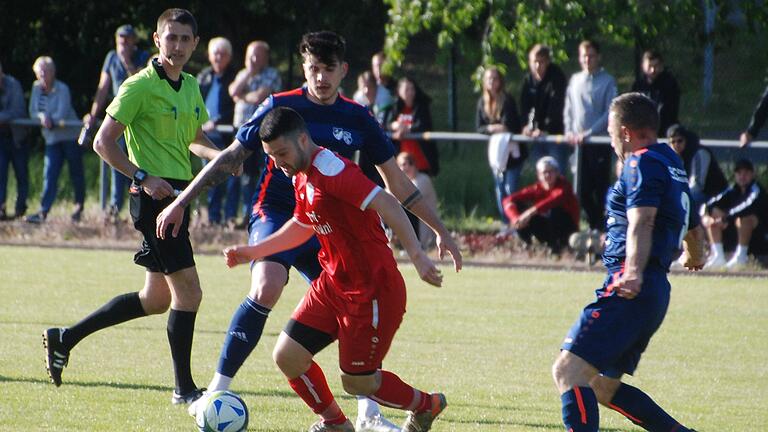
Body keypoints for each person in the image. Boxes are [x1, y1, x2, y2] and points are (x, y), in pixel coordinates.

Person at [155, 30, 462, 431]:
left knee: (357, 377)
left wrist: (425, 246)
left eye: (327, 69)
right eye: (312, 68)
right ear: (303, 68)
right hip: (306, 243)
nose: (320, 78)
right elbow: (285, 206)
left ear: (343, 72)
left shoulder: (338, 153)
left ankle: (406, 406)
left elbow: (391, 195)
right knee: (282, 339)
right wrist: (239, 243)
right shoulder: (286, 132)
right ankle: (325, 420)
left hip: (362, 274)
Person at [224, 106, 448, 432]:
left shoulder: (331, 170)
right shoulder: (300, 174)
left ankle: (427, 405)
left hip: (371, 290)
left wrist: (417, 255)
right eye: (272, 156)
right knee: (287, 356)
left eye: (282, 153)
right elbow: (303, 223)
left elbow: (385, 202)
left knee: (357, 383)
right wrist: (252, 251)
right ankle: (336, 424)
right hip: (333, 285)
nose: (278, 163)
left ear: (302, 139)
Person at [42, 8, 224, 406]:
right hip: (154, 203)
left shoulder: (191, 85)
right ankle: (184, 390)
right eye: (170, 37)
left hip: (180, 197)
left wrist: (222, 156)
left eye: (184, 39)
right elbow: (103, 143)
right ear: (157, 41)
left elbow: (194, 138)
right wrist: (141, 177)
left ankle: (65, 337)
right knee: (189, 293)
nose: (177, 45)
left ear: (195, 43)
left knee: (156, 300)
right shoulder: (139, 86)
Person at [552, 92, 704, 432]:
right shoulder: (671, 161)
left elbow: (643, 220)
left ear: (624, 132)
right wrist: (697, 253)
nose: (610, 141)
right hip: (655, 291)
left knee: (568, 371)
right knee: (601, 387)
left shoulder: (641, 161)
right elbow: (693, 222)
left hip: (631, 285)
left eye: (609, 132)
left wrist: (632, 272)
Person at [83, 24, 150, 219]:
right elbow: (103, 88)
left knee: (137, 162)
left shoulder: (142, 57)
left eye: (127, 39)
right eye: (121, 39)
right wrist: (93, 116)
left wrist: (127, 61)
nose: (124, 43)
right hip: (118, 117)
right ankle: (114, 207)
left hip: (137, 118)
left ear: (134, 41)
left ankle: (139, 206)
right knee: (114, 160)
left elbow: (140, 83)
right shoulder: (111, 57)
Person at [564, 39, 618, 231]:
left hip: (599, 142)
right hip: (580, 146)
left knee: (600, 188)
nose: (587, 59)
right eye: (584, 56)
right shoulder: (575, 80)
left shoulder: (608, 81)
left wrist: (589, 133)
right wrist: (570, 131)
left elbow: (609, 112)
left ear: (598, 57)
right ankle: (595, 225)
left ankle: (602, 229)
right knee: (581, 189)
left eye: (591, 56)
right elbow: (569, 109)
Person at [229, 40, 282, 226]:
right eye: (250, 55)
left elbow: (260, 96)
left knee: (263, 171)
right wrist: (248, 76)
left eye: (257, 55)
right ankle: (245, 213)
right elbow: (233, 90)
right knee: (244, 174)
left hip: (263, 131)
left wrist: (242, 97)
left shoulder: (272, 75)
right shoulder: (244, 74)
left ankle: (263, 211)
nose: (252, 59)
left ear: (265, 57)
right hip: (242, 131)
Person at [26, 56, 85, 224]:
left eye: (46, 71)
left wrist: (49, 120)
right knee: (49, 174)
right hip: (51, 139)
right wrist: (42, 116)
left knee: (76, 174)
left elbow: (63, 112)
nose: (43, 74)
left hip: (69, 137)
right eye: (40, 71)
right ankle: (43, 212)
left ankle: (78, 208)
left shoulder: (62, 88)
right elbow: (33, 111)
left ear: (53, 72)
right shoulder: (36, 88)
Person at [475, 66, 525, 224]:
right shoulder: (482, 102)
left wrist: (496, 127)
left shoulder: (507, 100)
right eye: (489, 79)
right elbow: (479, 127)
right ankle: (506, 224)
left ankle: (517, 222)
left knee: (511, 189)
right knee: (500, 191)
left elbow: (509, 125)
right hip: (497, 156)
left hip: (512, 155)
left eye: (495, 78)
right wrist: (491, 127)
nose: (492, 82)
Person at [198, 37, 238, 226]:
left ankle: (229, 217)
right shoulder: (203, 76)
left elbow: (236, 105)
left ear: (229, 56)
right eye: (215, 53)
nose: (218, 57)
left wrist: (218, 121)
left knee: (230, 178)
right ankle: (212, 218)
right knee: (209, 178)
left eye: (222, 54)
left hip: (226, 135)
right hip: (205, 137)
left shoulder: (234, 77)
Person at [502, 156, 579, 253]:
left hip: (567, 230)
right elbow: (508, 200)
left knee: (555, 210)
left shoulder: (565, 186)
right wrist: (515, 218)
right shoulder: (537, 188)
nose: (547, 175)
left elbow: (554, 199)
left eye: (551, 171)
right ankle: (528, 245)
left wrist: (530, 212)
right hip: (547, 228)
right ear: (538, 175)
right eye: (544, 172)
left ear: (557, 173)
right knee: (519, 208)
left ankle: (558, 247)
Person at [702, 158, 767, 270]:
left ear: (752, 174)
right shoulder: (732, 189)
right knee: (712, 215)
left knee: (744, 218)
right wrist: (708, 218)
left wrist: (726, 218)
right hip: (735, 232)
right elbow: (710, 204)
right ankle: (718, 256)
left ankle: (741, 258)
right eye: (739, 173)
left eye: (746, 173)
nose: (742, 176)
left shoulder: (757, 190)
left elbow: (746, 207)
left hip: (759, 237)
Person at [520, 44, 568, 171]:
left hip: (556, 135)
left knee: (557, 172)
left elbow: (556, 107)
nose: (537, 66)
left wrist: (546, 129)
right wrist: (527, 126)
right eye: (534, 62)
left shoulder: (557, 77)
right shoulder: (528, 80)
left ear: (547, 62)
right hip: (537, 136)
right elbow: (526, 106)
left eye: (541, 62)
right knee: (541, 174)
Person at [666, 124, 727, 214]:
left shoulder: (699, 153)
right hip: (692, 194)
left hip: (714, 195)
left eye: (679, 141)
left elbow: (697, 186)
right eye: (673, 142)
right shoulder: (674, 158)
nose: (676, 145)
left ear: (686, 140)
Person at [385, 76, 439, 177]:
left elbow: (422, 125)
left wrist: (406, 128)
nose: (410, 92)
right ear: (399, 91)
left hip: (421, 161)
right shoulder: (396, 107)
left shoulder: (421, 106)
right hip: (402, 162)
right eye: (406, 89)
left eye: (412, 89)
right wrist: (395, 125)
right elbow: (386, 125)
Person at [0, 61, 28, 220]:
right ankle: (1, 208)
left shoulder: (13, 85)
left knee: (21, 174)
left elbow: (17, 110)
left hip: (17, 138)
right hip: (1, 140)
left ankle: (20, 209)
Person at [631, 50, 680, 136]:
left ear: (661, 66)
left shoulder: (670, 84)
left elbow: (667, 110)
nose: (653, 70)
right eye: (650, 66)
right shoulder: (638, 85)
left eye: (656, 66)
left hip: (664, 130)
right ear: (643, 66)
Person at [397, 151, 438, 250]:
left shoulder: (423, 179)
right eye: (403, 164)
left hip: (423, 231)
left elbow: (408, 198)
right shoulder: (398, 183)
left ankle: (408, 246)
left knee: (406, 207)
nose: (408, 167)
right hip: (410, 229)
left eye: (411, 163)